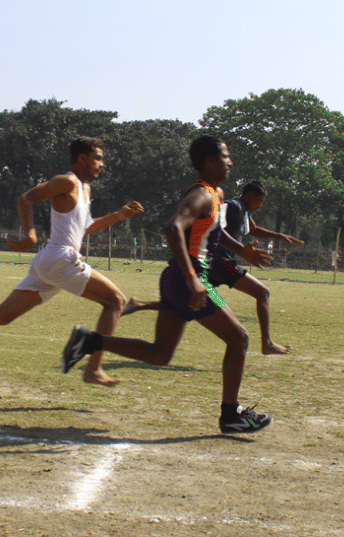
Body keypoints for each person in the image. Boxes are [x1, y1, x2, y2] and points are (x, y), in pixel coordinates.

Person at [61, 134, 274, 434]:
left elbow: (214, 232)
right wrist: (193, 280)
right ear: (210, 162)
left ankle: (90, 341)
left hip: (179, 278)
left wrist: (242, 250)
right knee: (239, 338)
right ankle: (231, 414)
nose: (230, 162)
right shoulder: (200, 194)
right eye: (226, 157)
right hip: (191, 279)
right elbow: (172, 228)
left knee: (160, 354)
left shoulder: (216, 194)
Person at [0, 136, 144, 387]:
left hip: (50, 263)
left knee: (1, 316)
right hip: (60, 258)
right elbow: (26, 198)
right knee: (116, 300)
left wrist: (120, 215)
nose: (101, 164)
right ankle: (93, 368)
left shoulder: (85, 189)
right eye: (98, 158)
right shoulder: (67, 181)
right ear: (82, 159)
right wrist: (30, 234)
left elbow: (86, 227)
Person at [122, 181, 304, 354]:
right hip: (223, 265)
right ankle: (267, 343)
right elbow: (215, 226)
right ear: (250, 196)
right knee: (262, 292)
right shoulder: (232, 206)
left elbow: (254, 229)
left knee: (193, 301)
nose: (261, 205)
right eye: (260, 200)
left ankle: (140, 304)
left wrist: (280, 236)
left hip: (213, 265)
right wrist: (240, 249)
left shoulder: (245, 213)